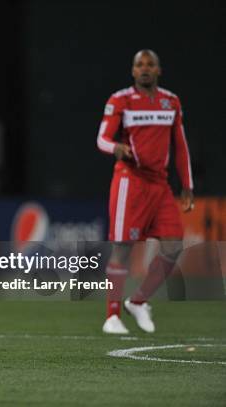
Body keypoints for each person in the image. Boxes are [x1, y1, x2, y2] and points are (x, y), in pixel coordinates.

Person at [96, 49, 194, 334]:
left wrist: (187, 184)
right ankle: (111, 316)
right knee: (123, 248)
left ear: (159, 70)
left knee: (174, 245)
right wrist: (116, 147)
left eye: (151, 64)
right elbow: (101, 138)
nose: (145, 69)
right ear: (133, 71)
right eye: (140, 65)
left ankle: (138, 301)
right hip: (131, 180)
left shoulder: (171, 102)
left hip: (160, 185)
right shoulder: (121, 100)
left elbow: (181, 145)